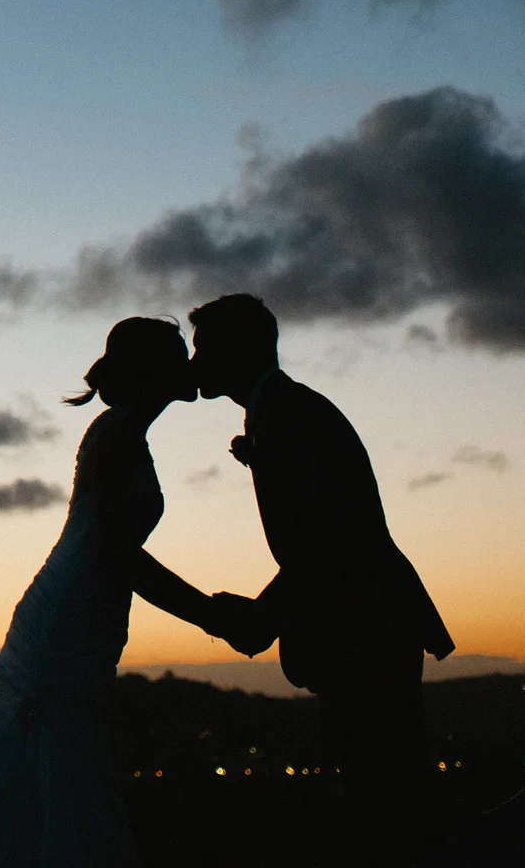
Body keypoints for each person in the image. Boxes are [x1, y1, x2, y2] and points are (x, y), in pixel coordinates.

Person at [0, 318, 246, 867]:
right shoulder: (115, 434)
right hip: (71, 611)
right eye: (178, 355)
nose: (190, 365)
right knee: (44, 754)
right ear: (152, 372)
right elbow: (115, 549)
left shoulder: (125, 432)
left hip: (86, 606)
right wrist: (211, 614)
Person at [192, 293, 454, 864]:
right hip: (361, 622)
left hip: (366, 628)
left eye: (202, 349)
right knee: (383, 792)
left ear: (238, 350)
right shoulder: (279, 412)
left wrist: (263, 615)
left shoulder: (290, 416)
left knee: (388, 800)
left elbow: (332, 542)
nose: (194, 363)